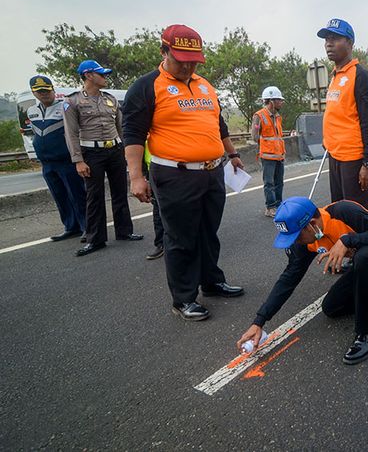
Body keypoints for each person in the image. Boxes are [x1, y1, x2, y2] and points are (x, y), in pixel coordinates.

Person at [122, 24, 245, 321]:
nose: (188, 66)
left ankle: (212, 282)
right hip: (175, 175)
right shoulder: (147, 86)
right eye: (181, 59)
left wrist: (232, 154)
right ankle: (184, 298)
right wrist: (136, 176)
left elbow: (220, 126)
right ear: (164, 52)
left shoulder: (205, 85)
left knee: (207, 232)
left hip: (212, 171)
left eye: (193, 60)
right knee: (180, 237)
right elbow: (133, 134)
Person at [236, 196, 368, 364]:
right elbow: (288, 279)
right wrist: (259, 321)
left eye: (297, 236)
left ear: (312, 225)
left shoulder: (344, 211)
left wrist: (348, 240)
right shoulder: (307, 241)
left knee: (364, 257)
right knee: (332, 307)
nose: (296, 242)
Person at [63, 60, 142, 257]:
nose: (105, 77)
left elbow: (121, 127)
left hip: (114, 150)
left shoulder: (111, 99)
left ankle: (124, 231)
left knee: (120, 192)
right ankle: (95, 239)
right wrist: (78, 160)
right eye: (101, 74)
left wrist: (127, 151)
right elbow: (71, 133)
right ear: (88, 75)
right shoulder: (72, 101)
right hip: (91, 153)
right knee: (94, 196)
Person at [318, 18, 368, 210]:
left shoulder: (359, 75)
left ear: (350, 43)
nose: (329, 43)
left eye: (335, 38)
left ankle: (365, 241)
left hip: (353, 158)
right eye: (327, 39)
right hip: (335, 155)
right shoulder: (335, 75)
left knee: (357, 214)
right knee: (339, 210)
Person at [26, 75, 87, 241]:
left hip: (66, 160)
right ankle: (70, 226)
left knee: (77, 194)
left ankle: (87, 227)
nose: (44, 94)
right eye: (39, 92)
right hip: (47, 162)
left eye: (47, 90)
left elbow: (75, 132)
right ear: (34, 93)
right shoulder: (32, 112)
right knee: (59, 195)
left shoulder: (65, 107)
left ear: (53, 90)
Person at [252, 86, 286, 217]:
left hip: (279, 155)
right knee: (269, 183)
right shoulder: (259, 116)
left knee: (279, 182)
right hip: (267, 156)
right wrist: (266, 146)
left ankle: (279, 205)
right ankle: (270, 207)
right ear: (271, 101)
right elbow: (254, 136)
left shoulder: (278, 116)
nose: (281, 102)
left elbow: (278, 136)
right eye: (279, 100)